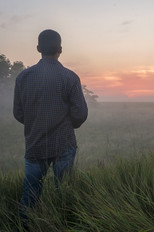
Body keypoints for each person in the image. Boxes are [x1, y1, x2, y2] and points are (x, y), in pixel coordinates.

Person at [13, 29, 88, 226]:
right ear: (60, 49)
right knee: (63, 193)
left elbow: (18, 113)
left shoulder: (23, 78)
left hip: (35, 145)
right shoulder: (70, 77)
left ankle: (26, 227)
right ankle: (63, 225)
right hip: (64, 144)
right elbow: (80, 114)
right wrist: (68, 125)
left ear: (38, 48)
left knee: (29, 195)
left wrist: (36, 123)